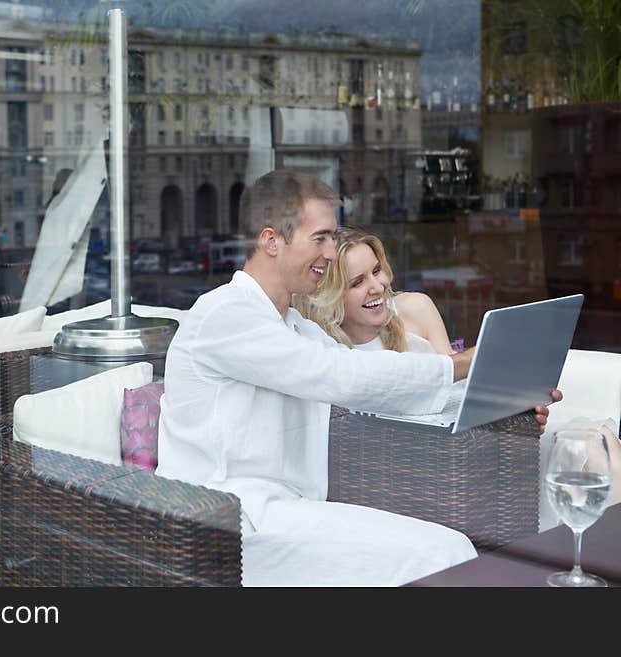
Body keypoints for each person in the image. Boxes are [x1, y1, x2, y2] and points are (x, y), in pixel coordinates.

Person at [155, 169, 555, 586]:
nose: (331, 253)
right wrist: (461, 363)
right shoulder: (225, 315)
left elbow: (377, 391)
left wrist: (502, 395)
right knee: (446, 553)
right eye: (321, 238)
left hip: (286, 512)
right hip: (224, 524)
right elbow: (343, 375)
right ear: (271, 240)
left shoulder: (294, 327)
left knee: (449, 548)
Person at [293, 226, 459, 355]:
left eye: (376, 270)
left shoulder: (416, 308)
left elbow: (457, 386)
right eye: (358, 282)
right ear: (328, 296)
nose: (379, 287)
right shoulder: (320, 349)